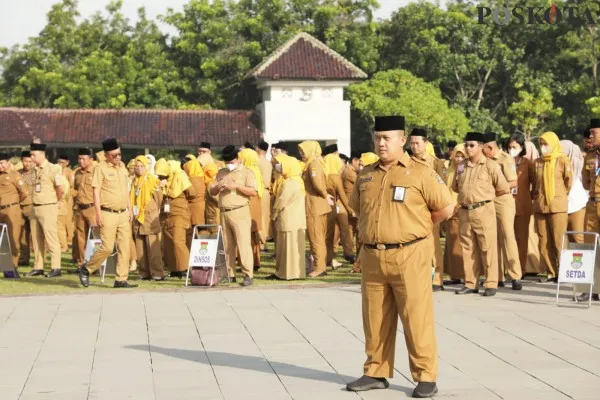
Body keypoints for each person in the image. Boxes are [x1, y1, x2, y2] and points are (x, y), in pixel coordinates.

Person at [346, 115, 454, 398]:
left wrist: (416, 225)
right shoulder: (366, 174)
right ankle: (376, 371)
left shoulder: (420, 172)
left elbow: (445, 208)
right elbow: (358, 211)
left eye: (387, 138)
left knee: (416, 317)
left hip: (410, 254)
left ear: (402, 140)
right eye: (377, 138)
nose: (381, 144)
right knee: (374, 318)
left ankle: (425, 376)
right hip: (372, 255)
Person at [453, 132, 509, 297]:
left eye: (471, 145)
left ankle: (491, 283)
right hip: (464, 210)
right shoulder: (461, 165)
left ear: (481, 146)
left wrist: (485, 199)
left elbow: (503, 187)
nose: (468, 148)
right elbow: (456, 187)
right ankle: (471, 283)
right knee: (468, 248)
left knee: (487, 247)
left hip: (483, 209)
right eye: (466, 145)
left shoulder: (490, 165)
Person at [79, 138, 137, 288]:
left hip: (123, 213)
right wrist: (98, 213)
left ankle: (121, 279)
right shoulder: (100, 168)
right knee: (107, 247)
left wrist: (129, 209)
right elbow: (96, 192)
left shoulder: (123, 167)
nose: (118, 157)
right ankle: (87, 268)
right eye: (114, 155)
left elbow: (126, 190)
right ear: (106, 156)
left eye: (119, 154)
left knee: (125, 247)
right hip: (107, 213)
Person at [209, 145, 258, 286]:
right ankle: (230, 274)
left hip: (240, 211)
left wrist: (237, 187)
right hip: (224, 212)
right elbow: (212, 191)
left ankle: (248, 274)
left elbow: (253, 192)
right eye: (227, 162)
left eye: (231, 162)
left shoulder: (247, 172)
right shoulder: (221, 172)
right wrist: (218, 187)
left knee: (243, 244)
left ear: (238, 159)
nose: (229, 164)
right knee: (227, 245)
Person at [482, 132, 522, 290]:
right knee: (491, 238)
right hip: (487, 201)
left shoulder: (505, 159)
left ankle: (515, 275)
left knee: (507, 236)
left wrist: (494, 188)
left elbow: (513, 182)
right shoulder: (483, 161)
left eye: (483, 148)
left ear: (490, 147)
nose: (481, 151)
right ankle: (496, 276)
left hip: (502, 200)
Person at [410, 128, 448, 291]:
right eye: (411, 143)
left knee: (433, 245)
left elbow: (442, 187)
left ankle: (437, 279)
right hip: (411, 209)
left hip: (430, 209)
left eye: (417, 143)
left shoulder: (436, 163)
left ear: (426, 143)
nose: (414, 146)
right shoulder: (406, 161)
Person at [532, 132, 572, 282]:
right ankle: (551, 272)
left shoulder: (562, 160)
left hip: (557, 206)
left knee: (559, 240)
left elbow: (568, 182)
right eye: (541, 144)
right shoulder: (537, 162)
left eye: (546, 144)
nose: (543, 147)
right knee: (543, 241)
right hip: (540, 206)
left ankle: (564, 272)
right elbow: (535, 183)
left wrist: (558, 196)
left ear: (554, 144)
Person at [27, 142, 65, 278]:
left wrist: (58, 201)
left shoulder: (53, 168)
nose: (31, 158)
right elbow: (27, 185)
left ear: (42, 154)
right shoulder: (33, 170)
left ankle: (56, 267)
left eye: (33, 155)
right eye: (31, 155)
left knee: (51, 238)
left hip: (48, 206)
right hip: (35, 207)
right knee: (36, 239)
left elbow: (60, 188)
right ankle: (39, 267)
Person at [268, 154, 306, 280]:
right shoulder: (297, 181)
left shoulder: (291, 183)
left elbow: (281, 201)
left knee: (287, 249)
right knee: (293, 249)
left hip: (289, 219)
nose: (280, 167)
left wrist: (273, 214)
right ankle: (293, 273)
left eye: (283, 166)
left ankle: (286, 273)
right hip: (296, 220)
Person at [506, 135, 540, 275]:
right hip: (506, 204)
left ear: (521, 148)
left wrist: (529, 196)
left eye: (514, 147)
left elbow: (535, 183)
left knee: (522, 238)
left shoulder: (528, 163)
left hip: (523, 205)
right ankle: (507, 269)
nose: (511, 150)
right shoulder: (503, 161)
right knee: (507, 237)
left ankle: (521, 269)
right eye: (509, 147)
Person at [155, 159, 195, 278]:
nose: (161, 177)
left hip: (179, 213)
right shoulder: (163, 182)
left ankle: (186, 268)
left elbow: (192, 193)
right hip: (166, 214)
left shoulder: (180, 176)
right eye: (159, 175)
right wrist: (161, 187)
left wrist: (181, 197)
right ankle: (174, 269)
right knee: (168, 243)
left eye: (163, 175)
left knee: (178, 241)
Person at [298, 141, 332, 278]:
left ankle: (319, 268)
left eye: (303, 151)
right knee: (318, 238)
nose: (301, 154)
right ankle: (319, 266)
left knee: (316, 238)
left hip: (314, 206)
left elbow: (318, 184)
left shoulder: (313, 165)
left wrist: (325, 195)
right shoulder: (315, 163)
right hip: (317, 205)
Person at [131, 155, 165, 281]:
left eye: (142, 166)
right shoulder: (134, 181)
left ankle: (157, 273)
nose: (139, 169)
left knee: (153, 247)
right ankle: (144, 272)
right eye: (137, 166)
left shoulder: (152, 180)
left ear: (147, 167)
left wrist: (151, 209)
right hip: (137, 217)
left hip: (150, 217)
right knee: (140, 248)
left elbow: (159, 199)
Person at [580, 120, 600, 301]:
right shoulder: (589, 156)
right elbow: (586, 182)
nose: (590, 136)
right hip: (593, 204)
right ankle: (590, 288)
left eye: (594, 133)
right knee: (590, 247)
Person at [323, 152, 353, 268]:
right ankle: (347, 253)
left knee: (329, 233)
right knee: (343, 230)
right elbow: (342, 195)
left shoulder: (323, 175)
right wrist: (351, 210)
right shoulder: (335, 177)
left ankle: (328, 257)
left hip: (325, 207)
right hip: (336, 205)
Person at [238, 148, 264, 271]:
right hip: (255, 202)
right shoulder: (255, 169)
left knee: (248, 234)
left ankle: (251, 263)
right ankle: (254, 262)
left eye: (241, 157)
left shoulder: (248, 170)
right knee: (253, 234)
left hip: (250, 202)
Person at [0, 153, 27, 269]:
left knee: (13, 237)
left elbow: (24, 193)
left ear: (8, 163)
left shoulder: (15, 176)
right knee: (2, 238)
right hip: (1, 211)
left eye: (2, 163)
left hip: (12, 209)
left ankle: (13, 264)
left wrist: (14, 203)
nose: (0, 165)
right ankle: (4, 264)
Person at [443, 144, 465, 283]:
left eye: (462, 156)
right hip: (448, 210)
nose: (458, 159)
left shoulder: (465, 170)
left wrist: (458, 206)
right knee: (450, 243)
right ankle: (454, 275)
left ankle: (463, 275)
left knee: (460, 243)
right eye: (456, 155)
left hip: (460, 209)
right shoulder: (449, 171)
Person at [72, 148, 96, 269]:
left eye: (83, 159)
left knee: (95, 237)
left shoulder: (96, 172)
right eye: (79, 158)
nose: (81, 161)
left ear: (90, 160)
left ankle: (95, 265)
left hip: (92, 208)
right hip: (79, 209)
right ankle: (82, 263)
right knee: (80, 237)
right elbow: (75, 189)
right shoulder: (77, 173)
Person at [18, 151, 35, 266]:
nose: (28, 164)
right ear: (21, 161)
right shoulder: (17, 174)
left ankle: (39, 261)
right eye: (25, 161)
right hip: (19, 207)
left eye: (30, 161)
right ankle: (24, 259)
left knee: (36, 235)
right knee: (22, 235)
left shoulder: (37, 173)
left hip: (33, 206)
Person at [257, 141, 273, 247]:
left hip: (260, 191)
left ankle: (261, 242)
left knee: (260, 216)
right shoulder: (268, 162)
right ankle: (263, 241)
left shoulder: (257, 162)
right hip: (266, 191)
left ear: (258, 149)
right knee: (265, 216)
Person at [183, 155, 206, 229]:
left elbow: (190, 194)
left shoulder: (191, 180)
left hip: (194, 207)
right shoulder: (202, 177)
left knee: (197, 229)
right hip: (201, 205)